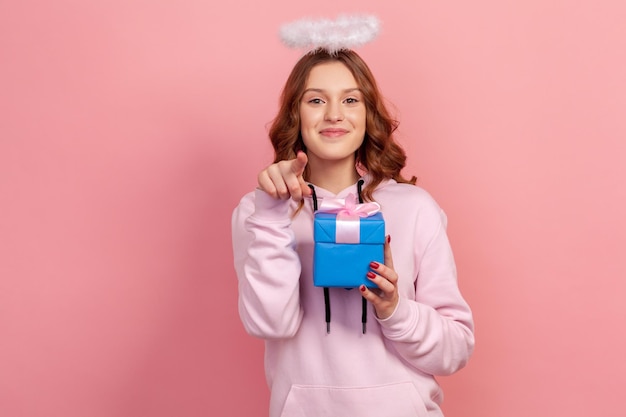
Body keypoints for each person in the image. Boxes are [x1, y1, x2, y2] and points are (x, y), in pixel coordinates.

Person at [231, 16, 474, 417]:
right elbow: (270, 324)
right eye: (315, 100)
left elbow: (455, 350)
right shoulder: (258, 211)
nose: (333, 114)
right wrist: (273, 214)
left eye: (350, 99)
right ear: (296, 114)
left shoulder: (415, 208)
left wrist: (395, 309)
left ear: (367, 114)